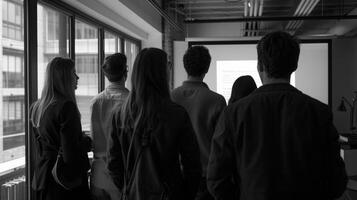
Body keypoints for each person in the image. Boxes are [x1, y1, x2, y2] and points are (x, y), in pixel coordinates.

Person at [207, 31, 347, 200]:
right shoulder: (319, 112)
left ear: (259, 66)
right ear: (295, 65)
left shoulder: (233, 113)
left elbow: (216, 179)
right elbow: (336, 181)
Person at [107, 48, 201, 200]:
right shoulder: (177, 114)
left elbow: (113, 165)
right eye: (168, 65)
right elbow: (192, 167)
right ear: (162, 73)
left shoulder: (120, 115)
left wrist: (129, 188)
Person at [30, 57, 91, 200]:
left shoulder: (37, 107)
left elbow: (45, 144)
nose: (77, 77)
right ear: (63, 77)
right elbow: (70, 154)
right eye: (73, 73)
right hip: (64, 183)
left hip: (42, 179)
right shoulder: (66, 107)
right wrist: (88, 141)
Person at [171, 46, 226, 200]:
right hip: (205, 177)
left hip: (175, 175)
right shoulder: (217, 100)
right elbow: (221, 143)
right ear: (207, 68)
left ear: (185, 65)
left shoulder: (170, 97)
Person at [90, 53, 129, 199]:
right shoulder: (131, 102)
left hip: (98, 172)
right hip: (123, 173)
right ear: (126, 72)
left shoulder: (96, 101)